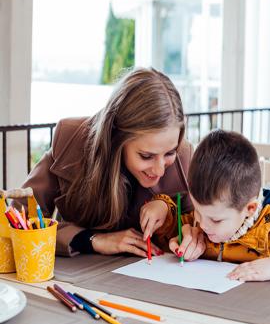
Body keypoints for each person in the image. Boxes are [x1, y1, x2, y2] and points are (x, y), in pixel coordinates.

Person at [18, 68, 193, 257]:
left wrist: (175, 217)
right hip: (77, 276)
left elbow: (208, 224)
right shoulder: (71, 141)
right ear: (116, 136)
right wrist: (90, 240)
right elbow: (19, 218)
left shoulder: (185, 158)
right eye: (146, 156)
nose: (159, 170)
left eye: (169, 152)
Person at [152, 130, 270, 281]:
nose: (202, 225)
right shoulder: (204, 218)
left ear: (249, 209)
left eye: (216, 219)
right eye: (198, 212)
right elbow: (167, 234)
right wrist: (163, 210)